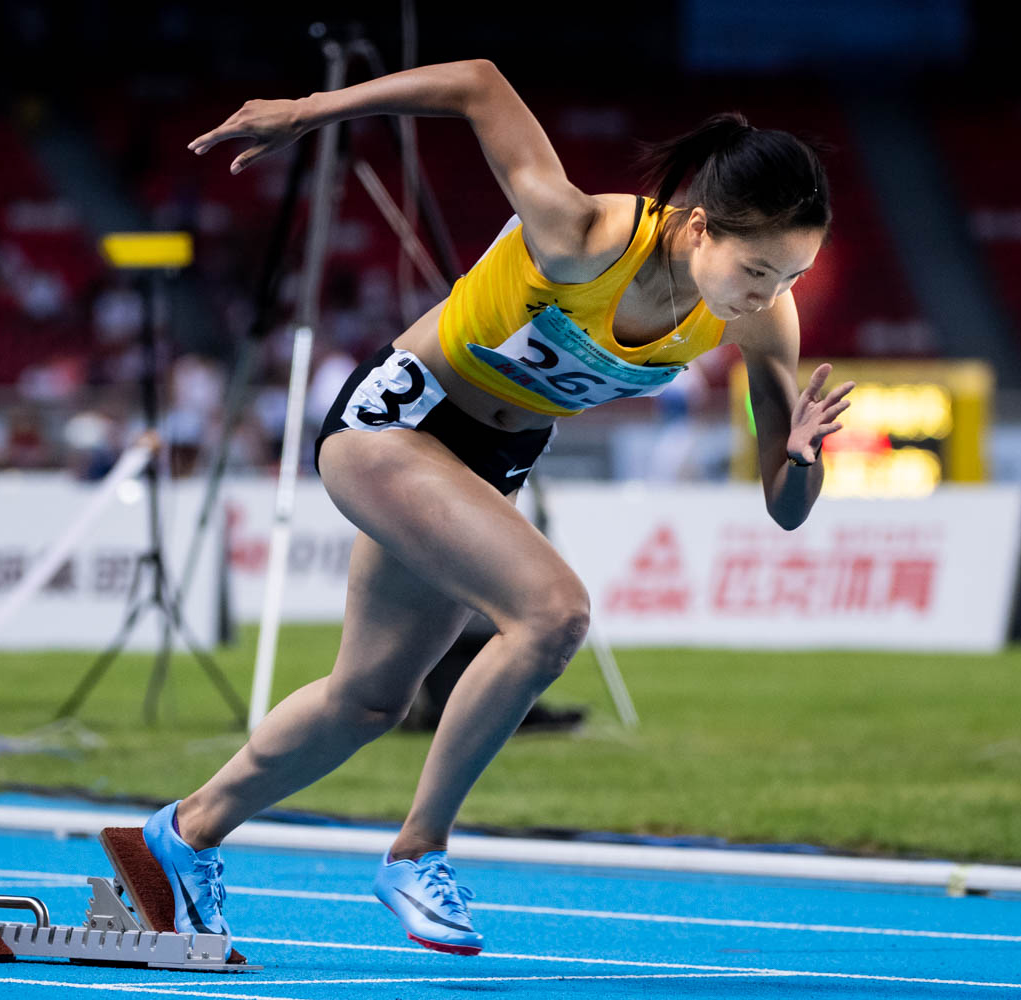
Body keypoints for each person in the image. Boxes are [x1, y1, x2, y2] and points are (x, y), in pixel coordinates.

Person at [141, 58, 854, 958]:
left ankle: (184, 832)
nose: (767, 296)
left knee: (369, 700)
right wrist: (308, 112)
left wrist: (803, 459)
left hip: (485, 465)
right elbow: (478, 83)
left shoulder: (757, 322)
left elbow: (787, 511)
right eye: (756, 269)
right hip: (397, 421)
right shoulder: (584, 234)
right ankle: (417, 851)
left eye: (790, 278)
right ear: (700, 226)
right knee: (552, 614)